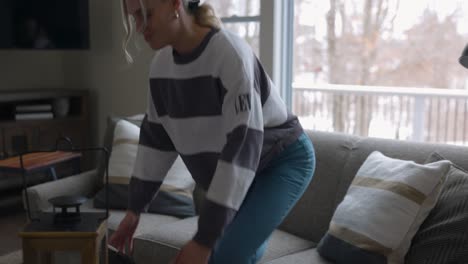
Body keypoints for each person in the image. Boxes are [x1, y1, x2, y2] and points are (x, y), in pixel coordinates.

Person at [109, 0, 316, 263]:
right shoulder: (161, 68)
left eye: (147, 15)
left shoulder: (229, 54)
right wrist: (134, 209)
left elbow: (242, 148)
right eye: (135, 18)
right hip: (239, 170)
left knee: (221, 256)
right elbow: (156, 142)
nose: (140, 27)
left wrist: (203, 240)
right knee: (234, 254)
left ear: (175, 4)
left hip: (281, 162)